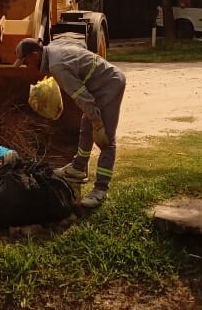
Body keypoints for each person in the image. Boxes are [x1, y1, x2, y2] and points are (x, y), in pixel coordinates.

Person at [12, 38, 126, 208]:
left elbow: (81, 96)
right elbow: (79, 45)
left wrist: (97, 121)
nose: (26, 66)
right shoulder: (51, 50)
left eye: (26, 61)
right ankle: (78, 168)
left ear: (35, 55)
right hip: (97, 84)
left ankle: (100, 189)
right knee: (85, 127)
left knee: (106, 139)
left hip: (110, 84)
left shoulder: (58, 66)